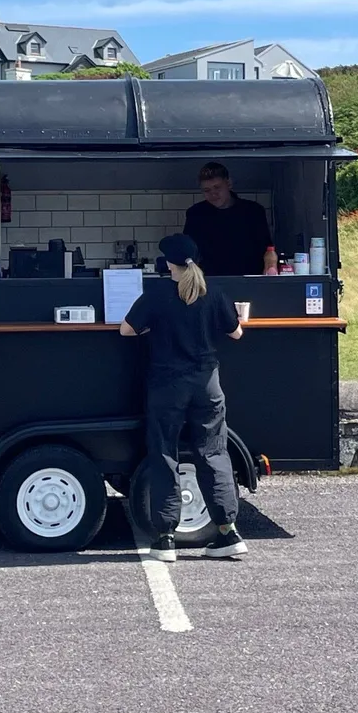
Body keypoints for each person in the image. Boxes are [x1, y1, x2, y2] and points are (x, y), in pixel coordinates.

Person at [119, 233, 248, 562]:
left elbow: (126, 329)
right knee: (213, 453)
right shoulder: (213, 292)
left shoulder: (157, 294)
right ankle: (228, 531)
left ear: (167, 264)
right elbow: (235, 332)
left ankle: (165, 538)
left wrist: (152, 329)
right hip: (207, 384)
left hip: (168, 385)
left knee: (165, 453)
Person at [182, 162, 278, 276]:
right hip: (208, 280)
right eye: (207, 190)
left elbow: (268, 249)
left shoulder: (253, 211)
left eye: (217, 187)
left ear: (229, 184)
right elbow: (187, 251)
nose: (213, 194)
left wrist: (270, 268)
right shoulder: (196, 214)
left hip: (248, 278)